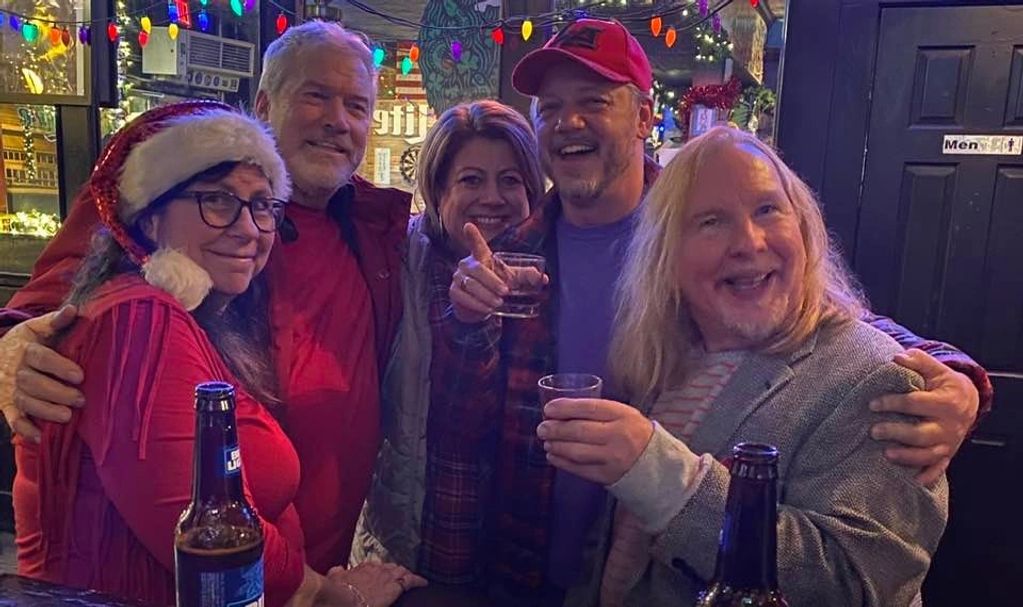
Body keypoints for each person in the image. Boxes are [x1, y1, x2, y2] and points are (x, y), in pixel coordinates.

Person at [444, 17, 988, 604]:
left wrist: (958, 378)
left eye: (593, 101)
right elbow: (457, 420)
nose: (745, 241)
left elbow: (836, 329)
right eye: (549, 107)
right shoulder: (513, 252)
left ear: (644, 116)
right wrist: (464, 321)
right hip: (530, 567)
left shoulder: (692, 208)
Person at [0, 20, 413, 580]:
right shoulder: (172, 193)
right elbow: (71, 291)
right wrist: (14, 341)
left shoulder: (375, 224)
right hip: (218, 568)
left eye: (357, 106)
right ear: (265, 104)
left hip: (320, 558)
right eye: (316, 95)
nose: (338, 121)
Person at [539, 126, 947, 606]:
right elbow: (617, 549)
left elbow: (854, 584)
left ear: (805, 230)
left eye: (768, 210)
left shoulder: (883, 379)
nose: (749, 243)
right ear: (666, 258)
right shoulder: (668, 357)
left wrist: (660, 474)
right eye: (711, 221)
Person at [351, 100, 544, 594]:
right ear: (438, 191)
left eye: (511, 181)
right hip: (428, 528)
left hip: (523, 541)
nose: (493, 197)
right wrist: (469, 318)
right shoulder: (402, 266)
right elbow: (457, 415)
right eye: (471, 180)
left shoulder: (549, 271)